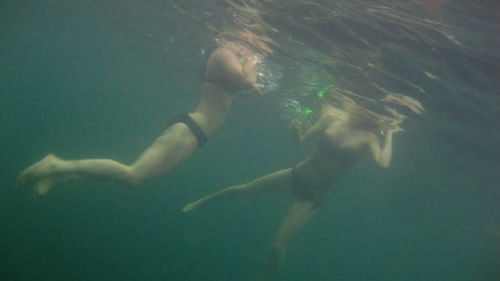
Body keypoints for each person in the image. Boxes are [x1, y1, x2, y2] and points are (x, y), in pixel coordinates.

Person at [182, 93, 403, 280]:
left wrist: (390, 134)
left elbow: (383, 164)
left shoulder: (370, 138)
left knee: (277, 246)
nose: (361, 112)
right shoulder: (331, 118)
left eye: (366, 111)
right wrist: (295, 132)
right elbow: (301, 143)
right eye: (360, 108)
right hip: (297, 173)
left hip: (313, 195)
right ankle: (202, 202)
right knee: (244, 189)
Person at [16, 42, 265, 199]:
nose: (247, 46)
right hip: (190, 130)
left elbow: (235, 94)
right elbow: (247, 82)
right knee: (133, 175)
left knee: (135, 179)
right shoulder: (222, 53)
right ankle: (57, 166)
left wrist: (249, 72)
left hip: (195, 134)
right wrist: (252, 60)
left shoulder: (228, 62)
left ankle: (64, 177)